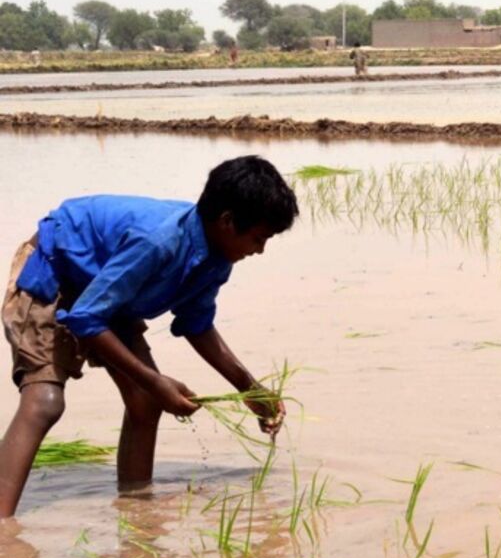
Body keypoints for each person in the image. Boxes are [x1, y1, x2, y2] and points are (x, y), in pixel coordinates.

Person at [0, 156, 299, 518]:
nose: (260, 250)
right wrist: (155, 380)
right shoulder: (158, 242)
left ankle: (136, 515)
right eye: (258, 238)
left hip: (113, 291)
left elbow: (197, 324)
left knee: (144, 402)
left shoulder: (218, 258)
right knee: (45, 401)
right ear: (227, 222)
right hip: (56, 270)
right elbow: (86, 318)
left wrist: (250, 389)